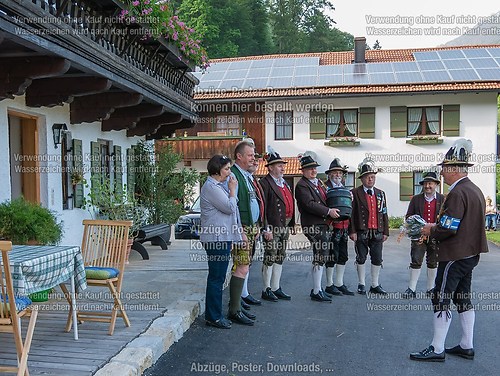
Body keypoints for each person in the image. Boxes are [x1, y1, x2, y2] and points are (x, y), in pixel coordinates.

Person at [410, 139, 488, 361]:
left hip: (454, 254)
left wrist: (428, 229)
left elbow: (449, 227)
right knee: (463, 297)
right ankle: (466, 345)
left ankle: (436, 349)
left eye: (444, 168)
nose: (442, 173)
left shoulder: (456, 193)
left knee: (440, 297)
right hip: (470, 254)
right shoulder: (475, 190)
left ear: (454, 169)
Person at [200, 155, 241, 329]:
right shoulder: (211, 187)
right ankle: (213, 316)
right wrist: (233, 190)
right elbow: (230, 207)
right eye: (226, 169)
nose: (229, 172)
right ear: (216, 170)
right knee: (217, 278)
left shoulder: (218, 186)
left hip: (222, 237)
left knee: (218, 277)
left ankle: (215, 314)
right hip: (216, 239)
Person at [295, 152, 340, 302]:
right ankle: (316, 290)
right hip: (313, 225)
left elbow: (327, 198)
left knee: (321, 254)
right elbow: (309, 204)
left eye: (314, 168)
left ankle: (318, 289)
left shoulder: (318, 183)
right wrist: (328, 211)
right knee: (321, 254)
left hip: (322, 224)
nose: (313, 170)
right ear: (303, 170)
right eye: (309, 168)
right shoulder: (301, 185)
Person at [229, 138, 263, 325]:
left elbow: (251, 203)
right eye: (250, 155)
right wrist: (240, 230)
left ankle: (238, 306)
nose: (253, 158)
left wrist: (255, 224)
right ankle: (234, 310)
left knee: (245, 266)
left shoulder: (244, 175)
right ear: (239, 156)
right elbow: (233, 207)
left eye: (253, 155)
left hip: (250, 227)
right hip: (241, 229)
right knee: (241, 266)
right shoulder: (233, 175)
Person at [259, 147, 295, 302]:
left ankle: (275, 287)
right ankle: (266, 289)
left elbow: (290, 203)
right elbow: (263, 207)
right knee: (270, 255)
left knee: (280, 255)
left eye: (282, 165)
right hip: (272, 226)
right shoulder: (265, 183)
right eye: (279, 165)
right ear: (271, 167)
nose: (282, 168)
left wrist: (291, 224)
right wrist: (265, 228)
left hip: (285, 225)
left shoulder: (284, 183)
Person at [349, 158, 389, 295]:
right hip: (361, 230)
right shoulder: (354, 193)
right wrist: (352, 231)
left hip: (377, 230)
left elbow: (384, 213)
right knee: (361, 257)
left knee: (377, 258)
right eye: (367, 177)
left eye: (372, 177)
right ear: (362, 179)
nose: (370, 180)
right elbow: (352, 214)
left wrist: (386, 231)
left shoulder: (381, 193)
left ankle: (375, 284)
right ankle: (361, 284)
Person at [403, 171, 445, 299]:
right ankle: (411, 288)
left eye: (430, 183)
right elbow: (409, 216)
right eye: (426, 183)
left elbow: (445, 218)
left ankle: (431, 288)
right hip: (419, 235)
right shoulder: (416, 199)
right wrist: (417, 225)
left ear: (436, 185)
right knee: (415, 260)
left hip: (436, 236)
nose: (427, 186)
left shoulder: (443, 199)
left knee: (433, 262)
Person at [324, 158, 354, 296]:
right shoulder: (324, 188)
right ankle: (329, 284)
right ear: (330, 174)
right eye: (335, 173)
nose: (337, 175)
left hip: (344, 227)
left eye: (339, 173)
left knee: (343, 256)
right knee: (331, 256)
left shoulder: (345, 189)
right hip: (331, 227)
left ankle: (339, 283)